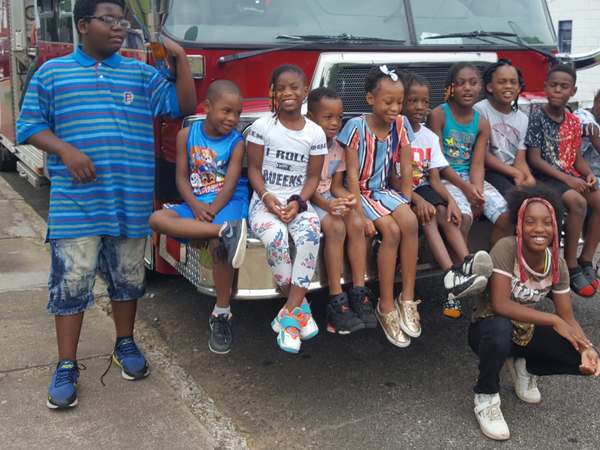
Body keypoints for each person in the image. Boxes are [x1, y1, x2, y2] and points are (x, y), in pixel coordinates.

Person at [15, 0, 195, 409]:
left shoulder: (141, 74)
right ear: (83, 25)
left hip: (129, 199)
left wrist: (179, 59)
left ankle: (125, 343)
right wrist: (66, 151)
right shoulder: (53, 73)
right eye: (108, 20)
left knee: (128, 278)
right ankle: (66, 365)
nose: (118, 28)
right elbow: (29, 125)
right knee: (71, 283)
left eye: (122, 21)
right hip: (76, 204)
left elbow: (182, 106)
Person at [468, 186, 600, 441]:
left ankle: (526, 366)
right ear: (519, 224)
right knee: (500, 329)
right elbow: (500, 304)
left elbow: (568, 317)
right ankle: (486, 396)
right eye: (530, 222)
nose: (539, 229)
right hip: (488, 327)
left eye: (546, 223)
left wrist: (587, 347)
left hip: (525, 330)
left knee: (580, 356)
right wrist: (552, 319)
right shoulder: (506, 248)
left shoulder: (557, 263)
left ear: (555, 228)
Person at [149, 80, 247, 355]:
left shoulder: (237, 142)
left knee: (219, 247)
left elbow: (229, 184)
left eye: (237, 113)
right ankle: (221, 231)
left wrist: (212, 211)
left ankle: (222, 312)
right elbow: (181, 178)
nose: (232, 119)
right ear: (207, 107)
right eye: (226, 111)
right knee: (157, 218)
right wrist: (195, 206)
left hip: (226, 202)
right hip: (196, 203)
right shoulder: (186, 136)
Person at [394, 72, 492, 319]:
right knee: (428, 216)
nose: (420, 107)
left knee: (447, 215)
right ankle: (451, 273)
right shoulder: (394, 132)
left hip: (423, 186)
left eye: (424, 102)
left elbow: (435, 178)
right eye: (412, 101)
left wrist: (450, 202)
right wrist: (417, 200)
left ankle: (467, 263)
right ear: (401, 103)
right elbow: (390, 177)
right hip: (399, 190)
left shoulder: (428, 136)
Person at [338, 65, 420, 348]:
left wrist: (406, 200)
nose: (395, 108)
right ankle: (385, 305)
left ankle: (407, 298)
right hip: (360, 193)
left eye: (399, 102)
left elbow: (406, 165)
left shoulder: (401, 125)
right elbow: (350, 176)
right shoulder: (355, 127)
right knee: (392, 231)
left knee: (409, 222)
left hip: (385, 190)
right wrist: (361, 216)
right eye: (388, 102)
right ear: (371, 99)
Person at [246, 64, 326, 354]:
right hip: (264, 204)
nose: (288, 93)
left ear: (305, 91)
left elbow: (313, 178)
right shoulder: (262, 127)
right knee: (277, 238)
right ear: (273, 93)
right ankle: (299, 312)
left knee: (310, 234)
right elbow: (253, 169)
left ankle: (288, 314)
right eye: (281, 88)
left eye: (294, 87)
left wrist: (298, 203)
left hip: (297, 203)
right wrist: (267, 197)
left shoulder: (315, 133)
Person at [307, 87, 377, 334]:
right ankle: (336, 299)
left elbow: (336, 186)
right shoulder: (306, 144)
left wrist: (349, 203)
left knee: (356, 224)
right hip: (308, 198)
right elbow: (309, 187)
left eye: (339, 117)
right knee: (336, 227)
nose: (335, 123)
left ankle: (359, 292)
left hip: (328, 196)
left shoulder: (338, 147)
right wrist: (329, 206)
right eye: (328, 117)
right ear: (311, 117)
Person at [526, 64, 600, 297]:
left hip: (568, 176)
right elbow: (535, 159)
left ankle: (586, 258)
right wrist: (568, 180)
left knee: (598, 198)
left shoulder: (574, 122)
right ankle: (570, 265)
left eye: (564, 86)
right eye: (554, 85)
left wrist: (587, 173)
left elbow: (576, 158)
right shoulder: (537, 117)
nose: (558, 90)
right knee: (578, 203)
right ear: (546, 87)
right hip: (546, 177)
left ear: (573, 91)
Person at [429, 62, 513, 247]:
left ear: (481, 87)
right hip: (446, 178)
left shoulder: (481, 123)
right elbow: (439, 162)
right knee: (462, 217)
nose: (467, 88)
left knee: (506, 216)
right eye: (460, 83)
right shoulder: (438, 115)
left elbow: (476, 164)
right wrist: (466, 189)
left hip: (471, 179)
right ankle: (463, 268)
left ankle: (492, 263)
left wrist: (477, 192)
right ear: (451, 88)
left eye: (473, 82)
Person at [475, 59, 535, 192]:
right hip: (488, 171)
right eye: (502, 82)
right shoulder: (480, 111)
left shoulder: (522, 119)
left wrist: (528, 177)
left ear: (519, 88)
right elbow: (483, 156)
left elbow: (520, 160)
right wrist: (515, 173)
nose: (508, 86)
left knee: (536, 195)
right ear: (490, 87)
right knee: (514, 198)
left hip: (511, 170)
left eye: (513, 82)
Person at [574, 89, 600, 184]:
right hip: (585, 175)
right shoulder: (581, 116)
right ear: (596, 100)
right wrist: (592, 130)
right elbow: (592, 131)